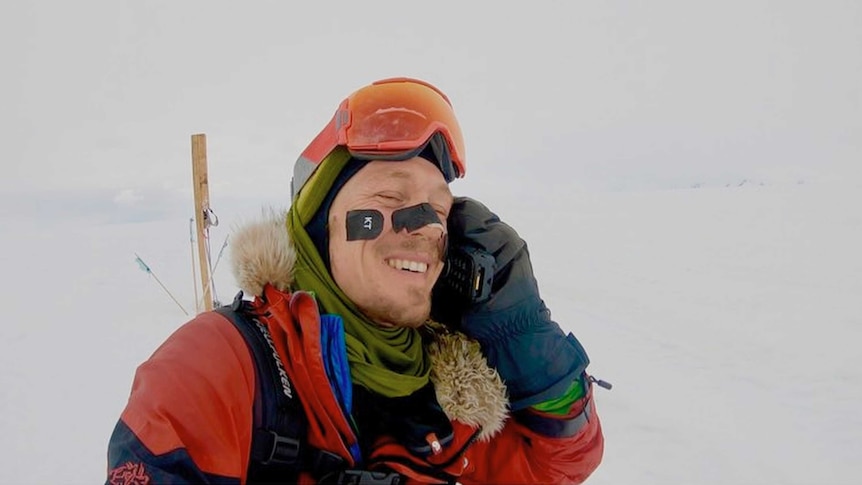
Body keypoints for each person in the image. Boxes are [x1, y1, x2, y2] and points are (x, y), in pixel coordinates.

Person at [106, 77, 604, 484]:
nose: (426, 228)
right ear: (322, 228)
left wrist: (522, 333)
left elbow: (563, 464)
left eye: (438, 211)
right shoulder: (217, 365)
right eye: (391, 199)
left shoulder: (455, 388)